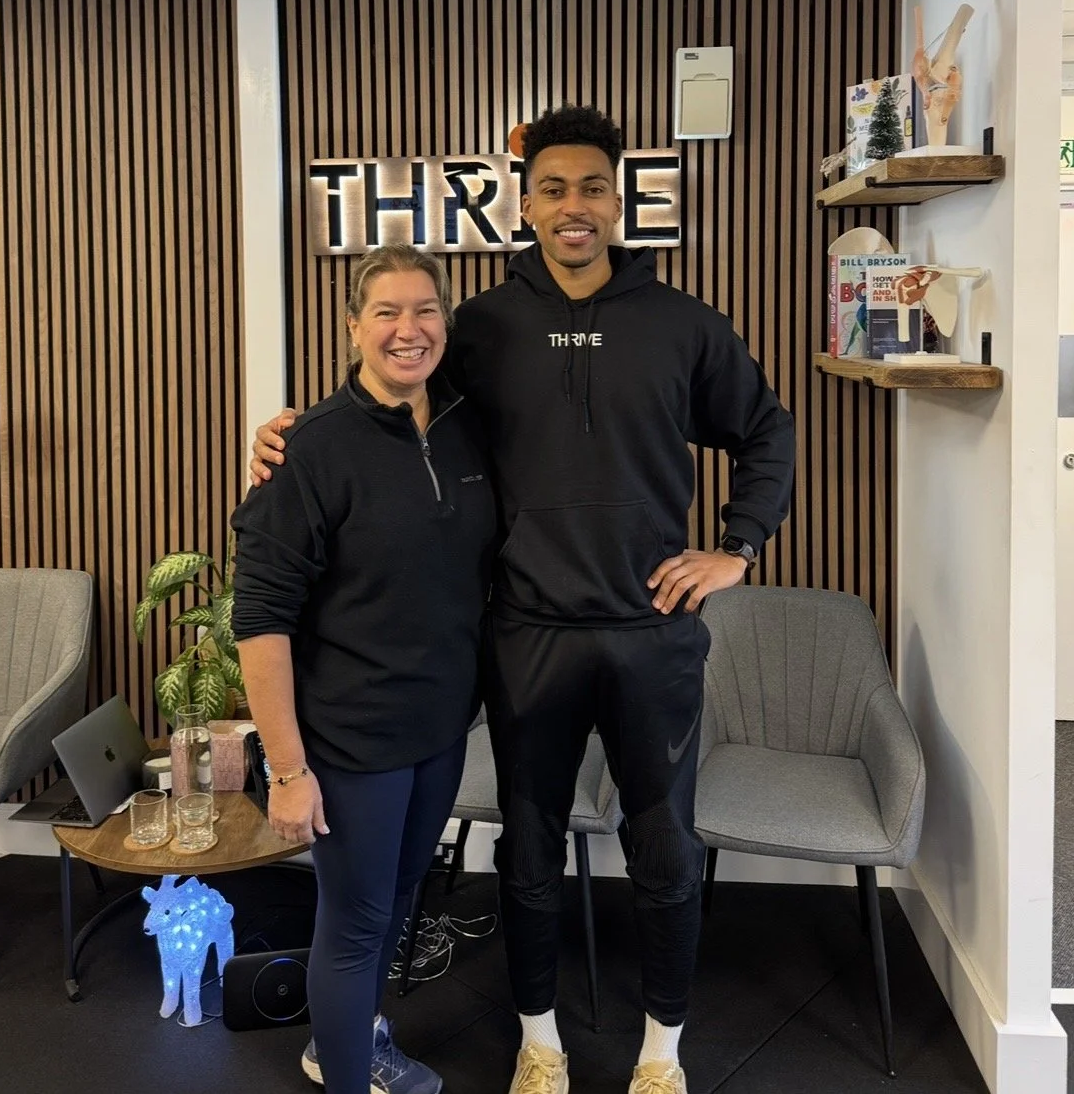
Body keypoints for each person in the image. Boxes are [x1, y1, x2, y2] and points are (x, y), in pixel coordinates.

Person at [252, 106, 795, 1094]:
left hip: (651, 633)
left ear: (620, 196)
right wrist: (298, 434)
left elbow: (768, 430)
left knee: (665, 853)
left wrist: (739, 546)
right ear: (527, 202)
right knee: (529, 853)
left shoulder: (682, 324)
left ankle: (662, 1055)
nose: (574, 205)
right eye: (553, 188)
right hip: (527, 633)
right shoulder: (486, 327)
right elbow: (392, 383)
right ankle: (538, 1042)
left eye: (593, 186)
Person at [232, 244, 497, 1094]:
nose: (407, 329)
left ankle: (345, 1042)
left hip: (437, 729)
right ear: (354, 327)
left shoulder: (467, 424)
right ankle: (346, 1072)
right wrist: (287, 769)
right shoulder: (308, 449)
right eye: (385, 312)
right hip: (350, 741)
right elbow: (260, 620)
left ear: (445, 324)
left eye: (424, 310)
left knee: (398, 899)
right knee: (353, 924)